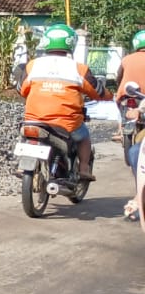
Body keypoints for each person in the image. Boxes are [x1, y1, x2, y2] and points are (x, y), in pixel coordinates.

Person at [20, 24, 106, 182]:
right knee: (84, 136)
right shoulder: (79, 68)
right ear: (71, 43)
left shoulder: (32, 65)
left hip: (34, 121)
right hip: (66, 124)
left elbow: (22, 90)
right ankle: (84, 168)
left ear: (46, 42)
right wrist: (107, 96)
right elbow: (97, 92)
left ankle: (23, 165)